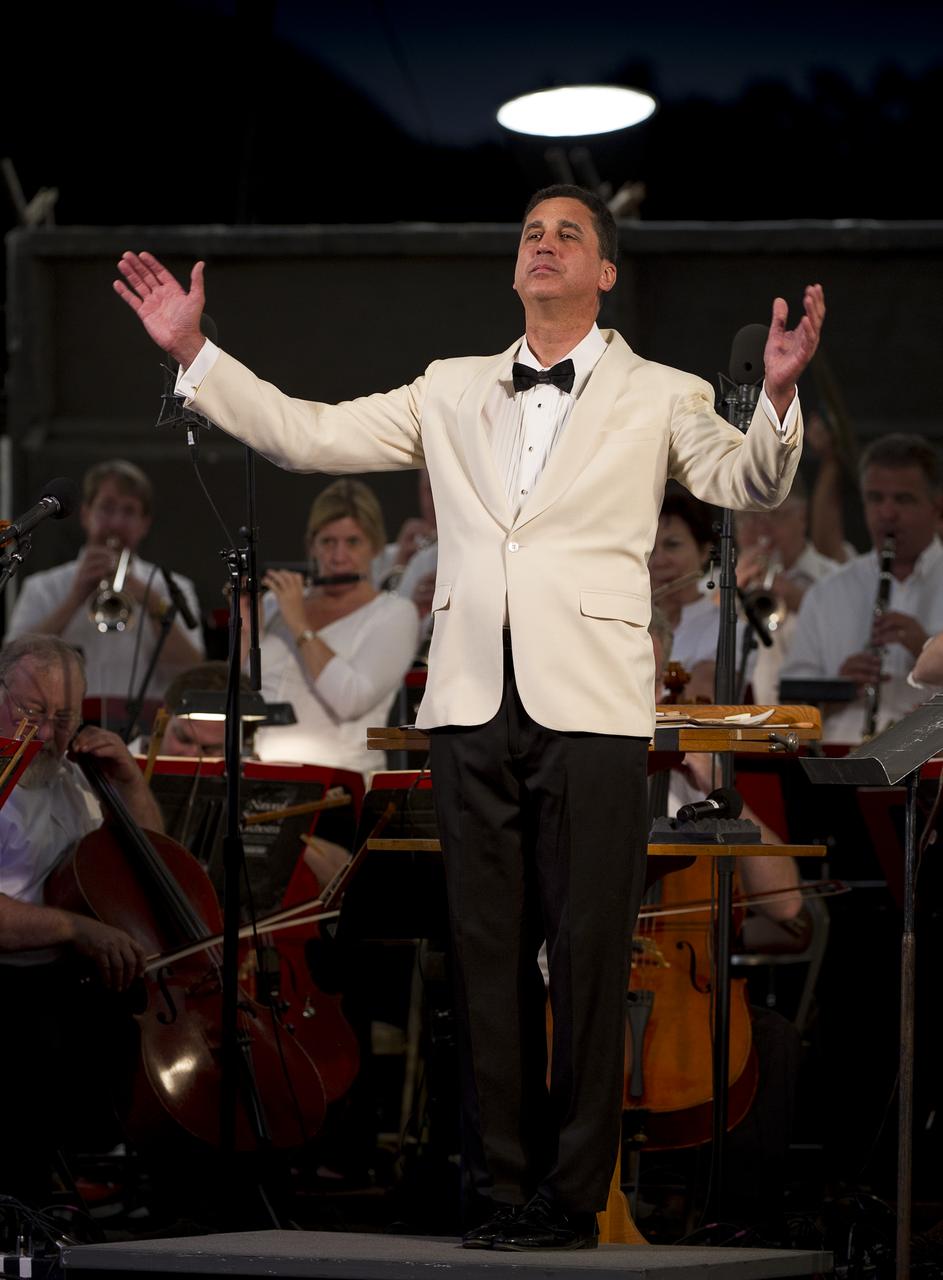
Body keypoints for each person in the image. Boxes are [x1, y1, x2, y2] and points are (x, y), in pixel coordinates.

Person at [114, 184, 823, 1251]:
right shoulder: (450, 387)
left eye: (568, 234)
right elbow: (308, 435)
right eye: (531, 234)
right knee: (483, 952)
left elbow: (749, 475)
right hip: (467, 703)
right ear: (513, 267)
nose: (544, 246)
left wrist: (773, 397)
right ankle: (499, 1190)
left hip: (590, 702)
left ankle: (573, 1193)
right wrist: (197, 353)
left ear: (606, 271)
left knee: (585, 955)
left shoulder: (660, 390)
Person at [0, 633, 161, 1202]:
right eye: (31, 713)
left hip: (74, 979)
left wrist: (130, 783)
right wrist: (77, 928)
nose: (47, 735)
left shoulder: (76, 779)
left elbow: (156, 871)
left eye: (64, 717)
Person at [249, 479, 419, 780]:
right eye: (327, 542)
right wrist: (246, 623)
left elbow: (351, 700)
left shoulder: (395, 614)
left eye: (353, 542)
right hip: (262, 775)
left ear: (376, 547)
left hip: (340, 784)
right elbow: (246, 692)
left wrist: (299, 624)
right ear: (311, 546)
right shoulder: (278, 603)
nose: (338, 557)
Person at [782, 434, 943, 741]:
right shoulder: (826, 593)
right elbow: (790, 708)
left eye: (903, 499)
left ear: (937, 508)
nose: (887, 513)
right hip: (840, 766)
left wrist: (927, 649)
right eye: (875, 498)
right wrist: (838, 687)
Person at [7, 460, 205, 702]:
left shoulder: (171, 587)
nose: (116, 523)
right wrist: (74, 599)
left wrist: (154, 604)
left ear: (145, 524)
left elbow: (193, 668)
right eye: (107, 508)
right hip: (59, 727)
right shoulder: (43, 587)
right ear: (85, 514)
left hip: (142, 730)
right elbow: (10, 661)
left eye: (129, 511)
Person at [735, 472, 841, 704]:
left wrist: (805, 603)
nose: (761, 530)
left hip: (814, 722)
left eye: (773, 516)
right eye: (748, 518)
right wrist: (730, 593)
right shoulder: (715, 586)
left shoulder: (834, 580)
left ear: (802, 517)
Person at [648, 490, 722, 702]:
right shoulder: (631, 624)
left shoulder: (722, 626)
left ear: (704, 552)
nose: (658, 560)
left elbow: (700, 699)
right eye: (651, 549)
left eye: (672, 545)